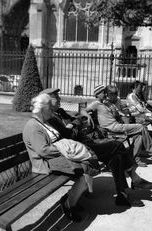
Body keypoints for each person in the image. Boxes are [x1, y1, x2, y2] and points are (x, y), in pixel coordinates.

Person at [43, 88, 152, 207]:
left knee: (116, 157)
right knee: (116, 145)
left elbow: (75, 122)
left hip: (85, 143)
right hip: (79, 150)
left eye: (58, 96)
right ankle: (134, 178)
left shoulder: (60, 112)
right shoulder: (50, 119)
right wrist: (74, 125)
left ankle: (123, 195)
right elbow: (69, 134)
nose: (59, 99)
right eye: (56, 97)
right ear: (47, 101)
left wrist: (74, 124)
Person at [23, 93, 98, 222]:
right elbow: (44, 151)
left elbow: (59, 139)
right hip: (45, 164)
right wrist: (67, 148)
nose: (53, 111)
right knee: (84, 172)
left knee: (87, 165)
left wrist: (69, 147)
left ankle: (70, 199)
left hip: (56, 158)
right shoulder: (33, 126)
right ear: (42, 108)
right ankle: (69, 204)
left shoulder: (45, 122)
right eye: (50, 108)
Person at [80, 85, 152, 167]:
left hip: (117, 126)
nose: (105, 94)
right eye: (103, 92)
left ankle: (135, 159)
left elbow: (118, 113)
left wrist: (117, 111)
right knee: (141, 127)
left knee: (138, 135)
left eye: (105, 92)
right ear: (97, 94)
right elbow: (82, 110)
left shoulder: (107, 103)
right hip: (111, 128)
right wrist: (88, 116)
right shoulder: (96, 104)